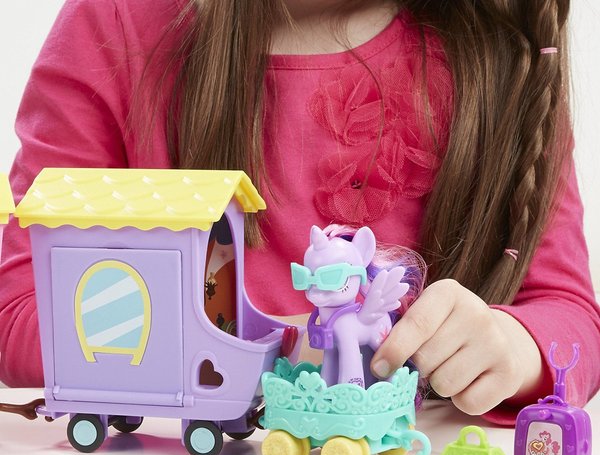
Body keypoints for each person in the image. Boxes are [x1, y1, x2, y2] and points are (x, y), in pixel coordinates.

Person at [0, 0, 598, 424]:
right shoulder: (113, 23)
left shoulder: (499, 54)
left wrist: (513, 346)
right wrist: (270, 345)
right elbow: (19, 313)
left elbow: (569, 314)